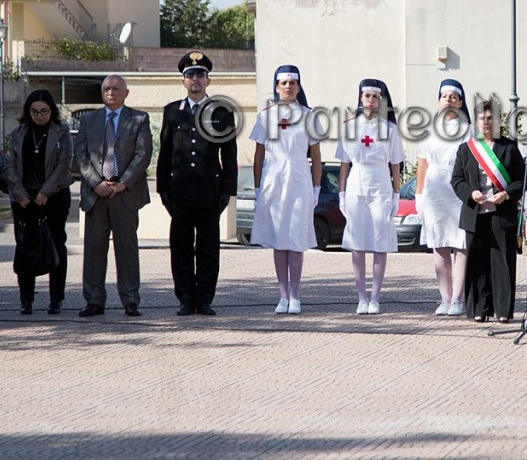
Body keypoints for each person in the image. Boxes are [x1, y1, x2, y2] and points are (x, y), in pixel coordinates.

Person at [157, 51, 238, 316]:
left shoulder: (221, 112)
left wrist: (227, 191)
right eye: (190, 75)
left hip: (209, 194)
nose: (195, 80)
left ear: (208, 80)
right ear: (183, 81)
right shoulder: (172, 112)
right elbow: (165, 155)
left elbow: (229, 154)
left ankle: (204, 299)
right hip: (180, 193)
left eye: (200, 75)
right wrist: (163, 190)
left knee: (207, 250)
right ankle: (185, 298)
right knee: (180, 249)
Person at [73, 74, 152, 317]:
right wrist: (96, 183)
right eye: (106, 88)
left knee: (126, 249)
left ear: (126, 93)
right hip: (96, 194)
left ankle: (130, 300)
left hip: (125, 194)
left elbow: (143, 155)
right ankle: (94, 300)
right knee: (94, 249)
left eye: (116, 88)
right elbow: (81, 155)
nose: (110, 92)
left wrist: (122, 184)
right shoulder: (88, 120)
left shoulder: (139, 119)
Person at [249, 65, 322, 315]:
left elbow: (316, 155)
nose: (288, 87)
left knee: (296, 239)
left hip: (300, 181)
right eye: (283, 83)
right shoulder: (265, 116)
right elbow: (258, 154)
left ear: (299, 87)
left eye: (293, 83)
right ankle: (282, 295)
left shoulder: (309, 116)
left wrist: (317, 187)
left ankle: (295, 295)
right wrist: (258, 187)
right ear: (277, 87)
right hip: (274, 181)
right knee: (279, 240)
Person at [451, 100, 525, 322]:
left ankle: (503, 311)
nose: (486, 122)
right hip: (475, 213)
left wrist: (506, 194)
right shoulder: (466, 149)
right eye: (482, 118)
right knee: (477, 262)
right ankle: (479, 310)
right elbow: (456, 179)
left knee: (502, 263)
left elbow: (521, 180)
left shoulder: (509, 147)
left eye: (490, 118)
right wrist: (470, 193)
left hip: (502, 213)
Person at [337, 78, 405, 315]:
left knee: (379, 242)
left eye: (376, 97)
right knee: (357, 243)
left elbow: (396, 164)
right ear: (360, 98)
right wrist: (342, 192)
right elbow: (344, 163)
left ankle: (375, 297)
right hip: (357, 183)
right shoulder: (349, 127)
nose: (371, 101)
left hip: (380, 185)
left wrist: (397, 193)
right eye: (367, 96)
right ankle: (361, 297)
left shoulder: (390, 129)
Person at [4, 90, 73, 315]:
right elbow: (10, 166)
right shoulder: (18, 133)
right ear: (28, 111)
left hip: (53, 196)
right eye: (34, 111)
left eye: (44, 111)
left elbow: (64, 166)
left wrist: (45, 192)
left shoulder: (61, 133)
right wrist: (19, 193)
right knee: (25, 246)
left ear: (51, 111)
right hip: (23, 198)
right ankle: (26, 299)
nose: (39, 116)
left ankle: (56, 298)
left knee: (55, 244)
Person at [416, 79, 472, 316]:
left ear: (460, 103)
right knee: (439, 245)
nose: (448, 100)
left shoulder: (468, 130)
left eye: (453, 97)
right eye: (444, 96)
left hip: (458, 190)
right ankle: (444, 298)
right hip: (435, 191)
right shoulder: (429, 130)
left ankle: (458, 299)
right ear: (438, 101)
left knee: (460, 246)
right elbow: (422, 165)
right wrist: (419, 196)